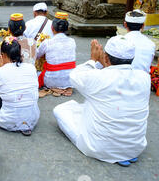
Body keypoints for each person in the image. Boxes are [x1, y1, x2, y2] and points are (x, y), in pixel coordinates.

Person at [53, 36, 150, 167]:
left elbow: (74, 76)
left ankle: (113, 153)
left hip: (99, 149)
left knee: (61, 109)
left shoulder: (99, 77)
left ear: (106, 58)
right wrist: (103, 61)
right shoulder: (144, 77)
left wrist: (93, 59)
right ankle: (124, 154)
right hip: (135, 148)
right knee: (89, 106)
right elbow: (115, 75)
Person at [0, 36, 39, 136]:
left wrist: (2, 67)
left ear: (2, 55)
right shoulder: (31, 68)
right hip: (33, 119)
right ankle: (25, 124)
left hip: (8, 121)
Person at [36, 12, 76, 97]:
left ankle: (55, 87)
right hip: (71, 80)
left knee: (37, 74)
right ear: (67, 28)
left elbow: (36, 55)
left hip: (51, 80)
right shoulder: (72, 41)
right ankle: (66, 87)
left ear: (52, 28)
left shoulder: (47, 43)